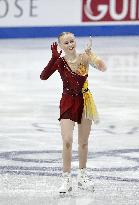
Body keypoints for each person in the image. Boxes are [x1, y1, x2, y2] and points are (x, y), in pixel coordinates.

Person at [40, 32, 107, 194]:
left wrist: (93, 55)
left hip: (85, 101)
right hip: (68, 102)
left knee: (83, 142)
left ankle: (82, 177)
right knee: (67, 140)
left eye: (72, 41)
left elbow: (103, 68)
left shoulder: (84, 57)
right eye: (66, 43)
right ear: (61, 46)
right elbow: (43, 76)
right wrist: (53, 59)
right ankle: (66, 179)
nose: (70, 44)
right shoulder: (60, 62)